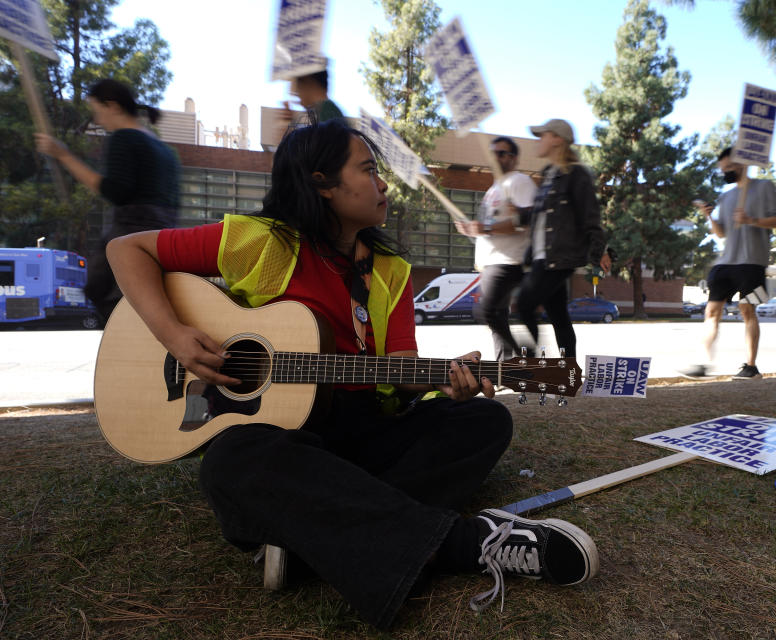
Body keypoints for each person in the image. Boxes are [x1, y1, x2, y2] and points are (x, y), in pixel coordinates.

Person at [103, 120, 598, 630]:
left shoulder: (390, 270)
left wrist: (446, 379)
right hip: (285, 439)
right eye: (367, 170)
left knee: (482, 420)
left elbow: (403, 373)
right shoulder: (261, 242)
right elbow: (126, 250)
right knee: (231, 458)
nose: (382, 184)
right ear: (321, 183)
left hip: (363, 428)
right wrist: (174, 335)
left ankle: (307, 533)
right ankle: (460, 545)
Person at [34, 78, 180, 323]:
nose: (97, 120)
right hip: (164, 233)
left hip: (131, 230)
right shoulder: (164, 150)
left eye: (97, 111)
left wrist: (62, 155)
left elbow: (115, 191)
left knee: (103, 291)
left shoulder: (124, 138)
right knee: (147, 299)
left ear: (112, 106)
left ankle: (124, 350)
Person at [682, 148, 776, 379]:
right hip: (725, 262)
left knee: (747, 309)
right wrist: (709, 216)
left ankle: (751, 366)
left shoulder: (764, 187)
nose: (724, 172)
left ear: (741, 164)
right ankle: (703, 362)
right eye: (722, 169)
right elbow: (720, 234)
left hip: (753, 263)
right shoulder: (726, 197)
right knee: (711, 311)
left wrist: (751, 220)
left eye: (728, 168)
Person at [515, 119, 610, 357]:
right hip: (541, 256)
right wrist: (516, 213)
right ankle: (569, 371)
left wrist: (599, 252)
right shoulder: (548, 174)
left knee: (525, 304)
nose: (538, 140)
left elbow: (590, 216)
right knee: (558, 316)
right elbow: (540, 217)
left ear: (557, 139)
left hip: (559, 256)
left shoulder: (577, 174)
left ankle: (531, 362)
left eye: (542, 135)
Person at [455, 136, 536, 360]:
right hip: (491, 262)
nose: (495, 157)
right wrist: (473, 230)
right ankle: (505, 366)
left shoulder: (519, 181)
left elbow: (526, 220)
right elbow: (490, 226)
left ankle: (525, 354)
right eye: (493, 153)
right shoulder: (494, 188)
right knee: (497, 317)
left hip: (508, 260)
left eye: (501, 153)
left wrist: (484, 228)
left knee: (486, 311)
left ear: (514, 158)